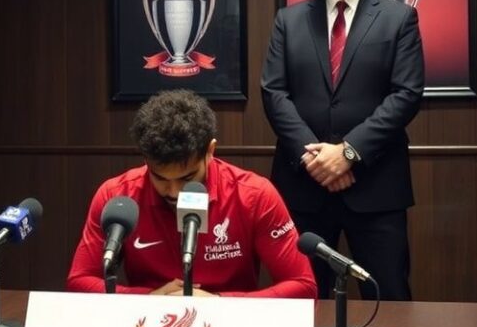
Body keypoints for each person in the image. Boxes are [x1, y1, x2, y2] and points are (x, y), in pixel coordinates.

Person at [261, 0, 424, 301]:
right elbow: (273, 92)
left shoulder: (399, 18)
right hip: (304, 186)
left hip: (377, 187)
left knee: (389, 299)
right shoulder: (288, 20)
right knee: (300, 301)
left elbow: (406, 94)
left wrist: (348, 152)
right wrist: (316, 159)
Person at [67, 89, 317, 298]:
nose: (174, 192)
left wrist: (221, 303)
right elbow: (79, 282)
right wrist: (148, 300)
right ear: (145, 159)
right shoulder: (116, 197)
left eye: (187, 178)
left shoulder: (254, 195)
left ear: (210, 151)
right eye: (160, 178)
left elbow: (304, 288)